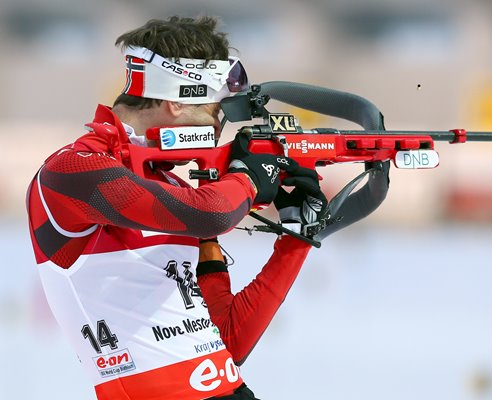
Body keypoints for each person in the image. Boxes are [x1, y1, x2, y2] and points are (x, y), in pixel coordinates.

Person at [26, 16, 325, 400]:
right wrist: (249, 178)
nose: (221, 126)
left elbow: (225, 344)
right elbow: (213, 213)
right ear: (177, 102)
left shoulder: (175, 187)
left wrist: (297, 237)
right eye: (218, 111)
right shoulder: (71, 170)